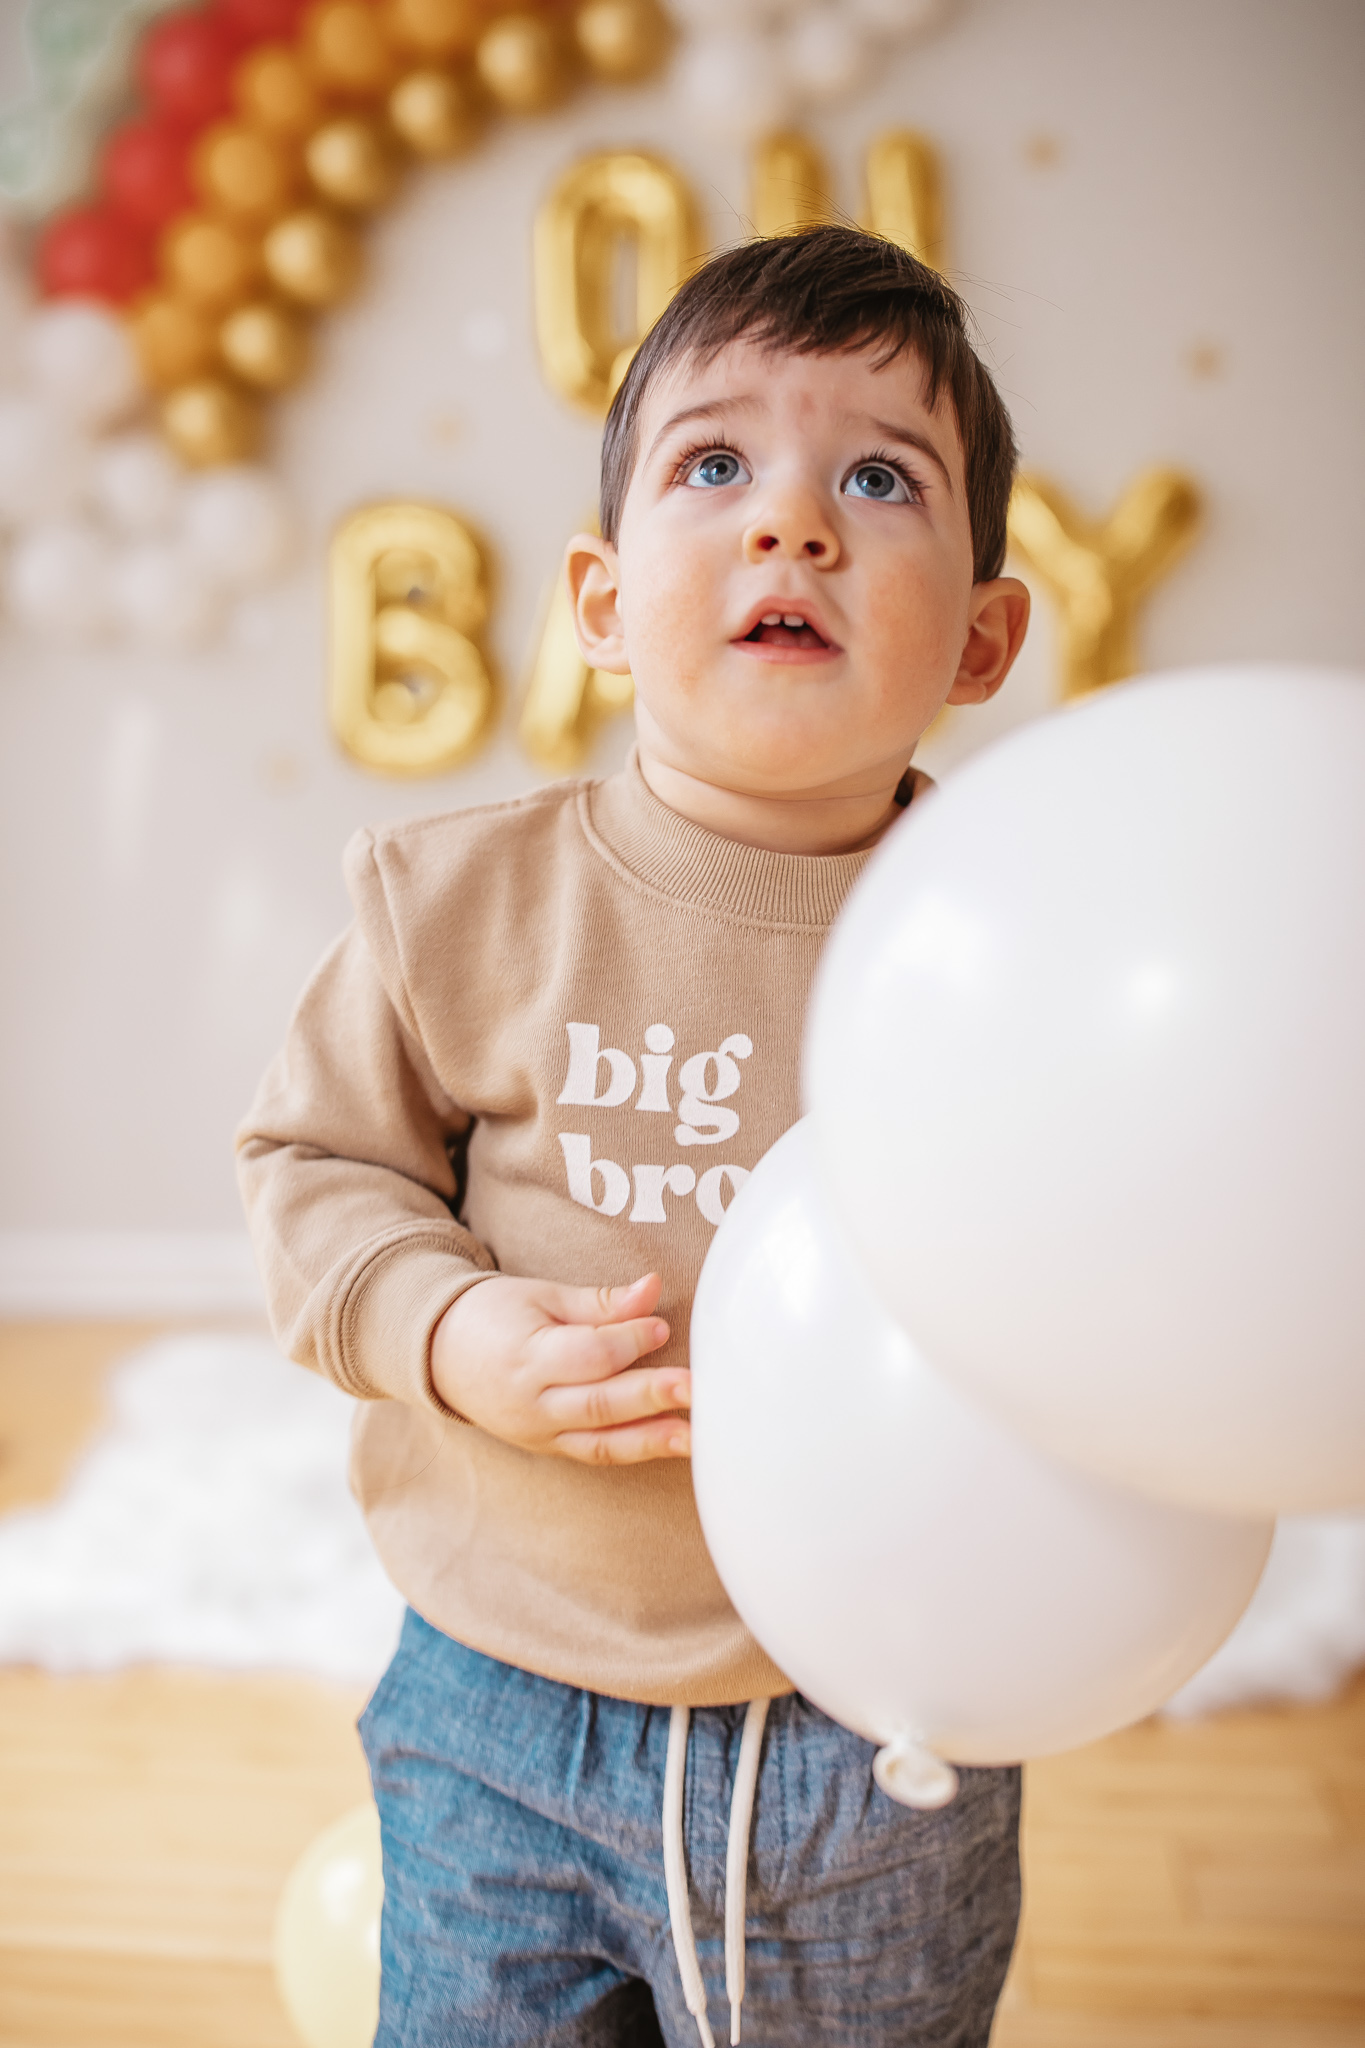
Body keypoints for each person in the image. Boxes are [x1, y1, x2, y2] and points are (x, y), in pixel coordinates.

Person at [238, 224, 1030, 2048]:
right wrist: (443, 1324)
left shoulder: (1002, 937)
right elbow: (310, 1164)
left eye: (877, 478)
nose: (793, 524)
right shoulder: (454, 904)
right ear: (598, 604)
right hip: (495, 1696)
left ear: (983, 635)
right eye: (715, 464)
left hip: (874, 1732)